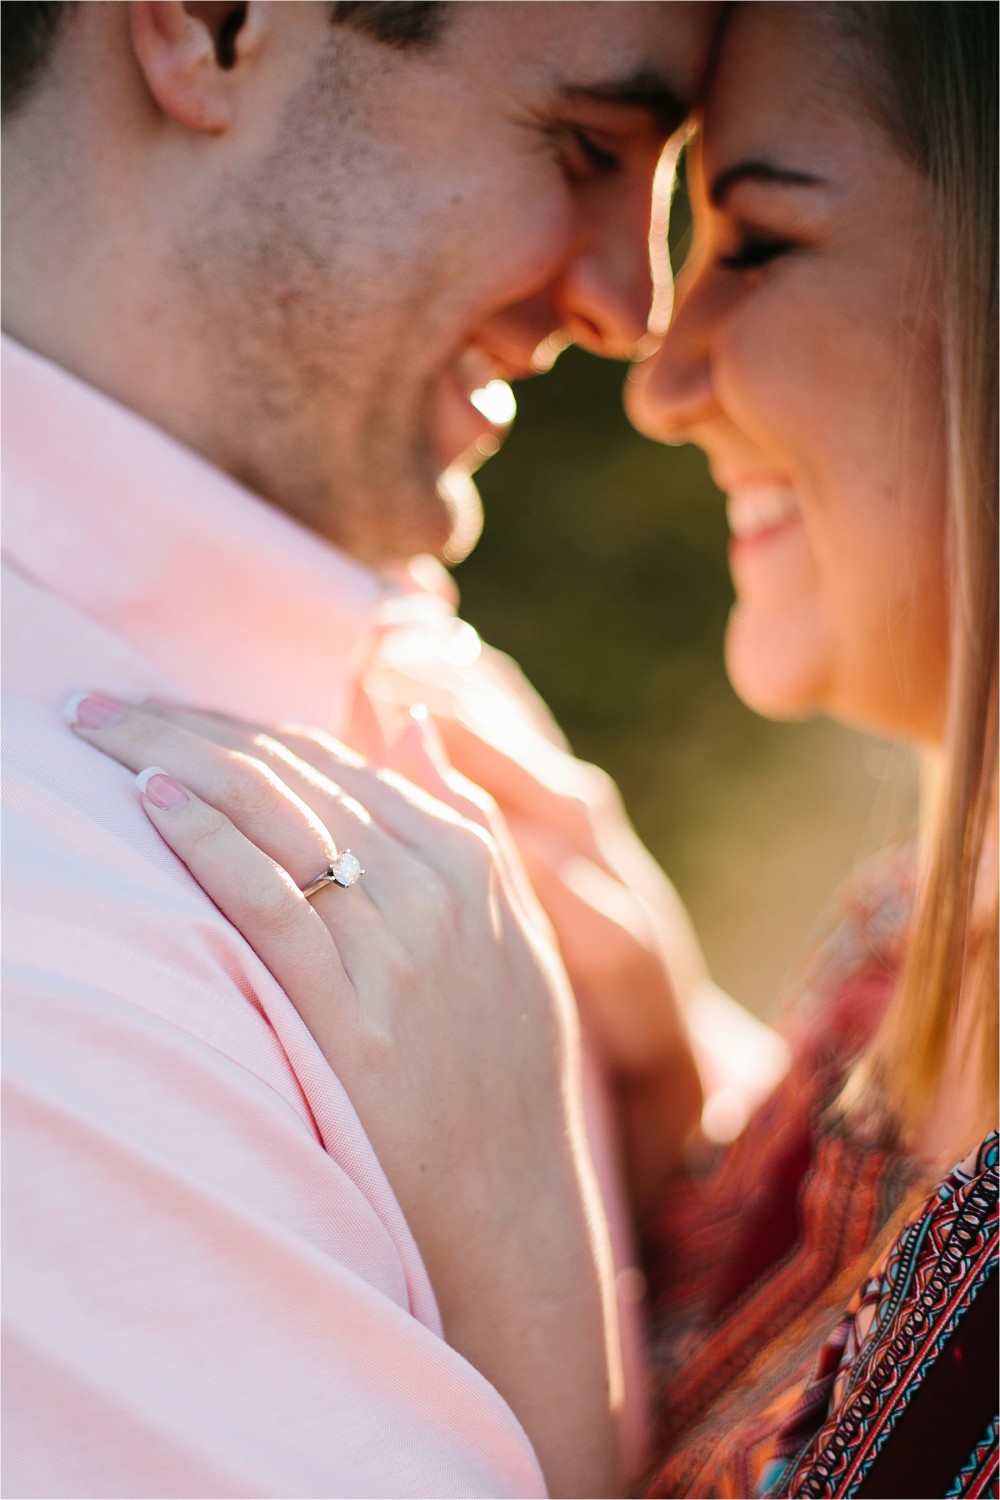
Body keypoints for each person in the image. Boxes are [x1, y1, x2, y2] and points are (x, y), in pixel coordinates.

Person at [64, 1, 998, 1495]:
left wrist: (529, 1308)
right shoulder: (892, 961)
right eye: (577, 149)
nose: (658, 366)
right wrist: (678, 1101)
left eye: (752, 244)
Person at [1, 3, 753, 1497]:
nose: (635, 308)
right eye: (585, 145)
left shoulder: (424, 698)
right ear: (209, 30)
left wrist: (690, 1107)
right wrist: (539, 1301)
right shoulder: (64, 988)